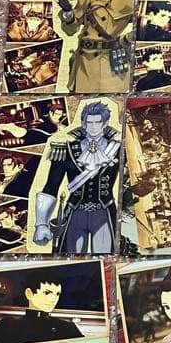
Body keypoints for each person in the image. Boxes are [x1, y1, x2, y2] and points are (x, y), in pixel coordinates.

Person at [33, 100, 121, 256]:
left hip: (105, 213)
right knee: (71, 259)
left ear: (105, 123)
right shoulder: (65, 150)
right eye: (89, 122)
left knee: (105, 259)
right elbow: (51, 187)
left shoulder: (119, 149)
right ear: (83, 123)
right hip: (75, 212)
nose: (93, 126)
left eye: (97, 122)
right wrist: (41, 224)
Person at [57, 0, 134, 93]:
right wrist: (67, 12)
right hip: (83, 61)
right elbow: (71, 30)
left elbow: (110, 29)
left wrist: (93, 4)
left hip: (108, 62)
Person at [0, 270, 83, 343]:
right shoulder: (9, 326)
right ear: (29, 293)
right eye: (47, 293)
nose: (53, 299)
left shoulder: (68, 328)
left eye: (57, 294)